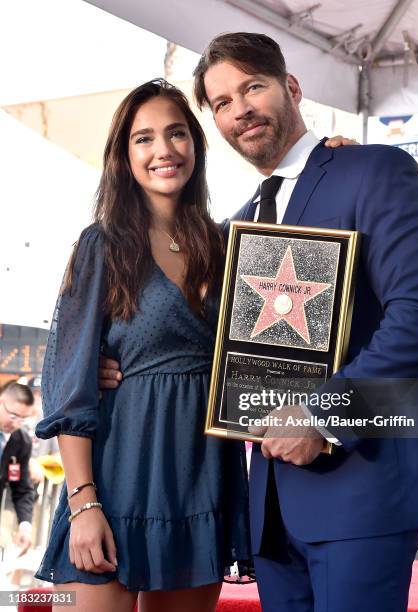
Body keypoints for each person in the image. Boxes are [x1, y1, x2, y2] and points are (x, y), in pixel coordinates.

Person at [101, 32, 418, 612]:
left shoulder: (375, 169)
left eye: (252, 87)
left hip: (363, 490)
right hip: (266, 508)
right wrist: (106, 359)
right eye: (220, 103)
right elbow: (184, 329)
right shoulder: (233, 229)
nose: (239, 109)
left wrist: (321, 414)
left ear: (291, 87)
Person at [34, 79, 252, 612]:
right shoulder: (102, 245)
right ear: (122, 156)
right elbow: (69, 388)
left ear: (196, 146)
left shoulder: (226, 244)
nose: (163, 150)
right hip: (118, 475)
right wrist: (84, 503)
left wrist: (333, 156)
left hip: (203, 475)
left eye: (176, 133)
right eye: (144, 138)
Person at [0, 381, 35, 554]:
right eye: (13, 416)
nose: (15, 424)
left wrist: (25, 525)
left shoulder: (21, 442)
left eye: (22, 419)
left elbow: (21, 487)